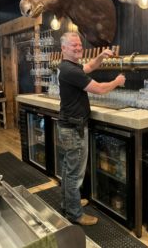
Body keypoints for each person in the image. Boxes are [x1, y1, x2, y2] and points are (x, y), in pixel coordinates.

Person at [57, 31, 126, 226]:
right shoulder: (70, 71)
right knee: (74, 174)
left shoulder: (69, 66)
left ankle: (68, 203)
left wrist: (101, 56)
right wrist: (117, 82)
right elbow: (101, 89)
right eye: (73, 46)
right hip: (74, 128)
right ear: (63, 49)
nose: (78, 48)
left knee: (68, 169)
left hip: (68, 126)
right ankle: (75, 214)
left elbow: (88, 67)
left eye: (79, 45)